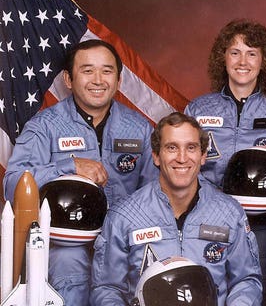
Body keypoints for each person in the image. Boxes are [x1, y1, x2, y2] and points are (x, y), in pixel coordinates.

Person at [2, 39, 157, 305]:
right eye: (87, 70)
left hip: (123, 240)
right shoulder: (45, 127)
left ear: (119, 80)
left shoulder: (138, 128)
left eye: (107, 71)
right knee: (70, 273)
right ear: (68, 80)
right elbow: (14, 183)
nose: (98, 80)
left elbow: (154, 192)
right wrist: (69, 165)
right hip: (66, 244)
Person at [184, 19, 266, 305]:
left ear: (263, 61)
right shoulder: (197, 110)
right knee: (210, 292)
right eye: (235, 52)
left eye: (251, 53)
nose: (242, 61)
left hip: (265, 227)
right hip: (210, 221)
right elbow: (181, 166)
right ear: (223, 57)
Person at [91, 112, 262, 305]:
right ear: (156, 156)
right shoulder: (124, 216)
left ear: (203, 155)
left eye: (191, 148)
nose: (182, 158)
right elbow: (107, 288)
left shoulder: (229, 213)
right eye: (172, 148)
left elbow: (246, 281)